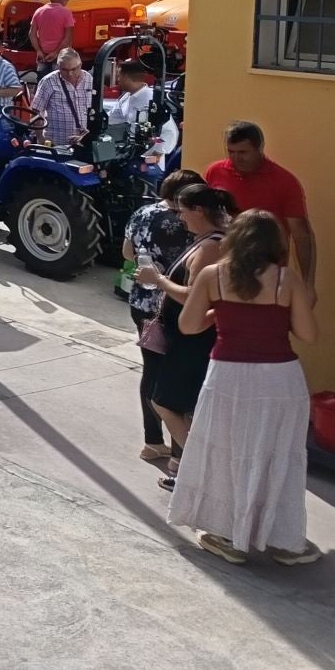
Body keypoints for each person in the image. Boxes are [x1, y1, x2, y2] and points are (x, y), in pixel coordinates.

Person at [167, 211, 320, 566]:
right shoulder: (287, 279)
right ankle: (283, 539)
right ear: (275, 243)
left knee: (226, 452)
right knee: (277, 454)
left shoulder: (212, 276)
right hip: (280, 379)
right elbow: (308, 334)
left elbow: (188, 326)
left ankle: (230, 537)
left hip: (229, 377)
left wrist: (218, 313)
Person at [139, 184, 237, 488]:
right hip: (183, 335)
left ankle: (197, 469)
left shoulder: (211, 247)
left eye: (183, 211)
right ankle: (189, 467)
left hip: (192, 339)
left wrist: (159, 281)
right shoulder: (205, 242)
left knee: (165, 402)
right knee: (172, 403)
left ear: (199, 211)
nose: (180, 217)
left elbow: (196, 296)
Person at [122, 168, 204, 462]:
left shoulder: (142, 213)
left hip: (142, 304)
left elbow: (128, 253)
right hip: (174, 308)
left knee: (151, 371)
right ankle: (179, 453)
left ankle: (152, 441)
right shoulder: (186, 222)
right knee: (176, 380)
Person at [206, 121, 317, 289]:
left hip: (266, 273)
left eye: (243, 152)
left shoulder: (284, 181)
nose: (236, 158)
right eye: (231, 152)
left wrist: (308, 284)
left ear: (260, 148)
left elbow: (301, 234)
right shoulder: (215, 171)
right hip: (222, 268)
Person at [32, 46, 94, 148]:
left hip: (83, 143)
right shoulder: (48, 81)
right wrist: (40, 139)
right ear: (58, 67)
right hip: (55, 144)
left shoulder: (89, 79)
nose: (70, 74)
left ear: (81, 65)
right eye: (64, 69)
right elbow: (36, 111)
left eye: (74, 69)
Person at [28, 0, 75, 73]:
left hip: (43, 54)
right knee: (59, 82)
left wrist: (38, 50)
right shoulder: (66, 12)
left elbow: (32, 34)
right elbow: (68, 37)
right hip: (61, 54)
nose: (68, 0)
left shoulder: (38, 11)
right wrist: (56, 52)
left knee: (43, 80)